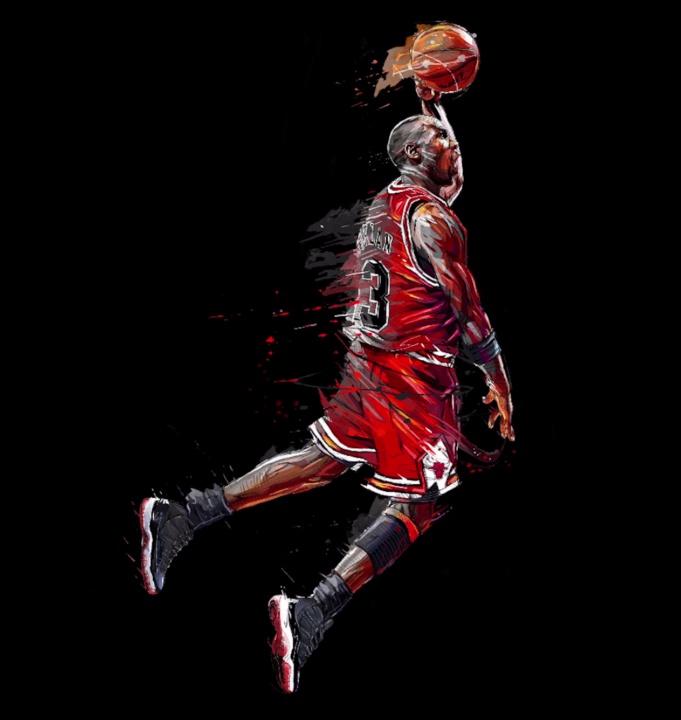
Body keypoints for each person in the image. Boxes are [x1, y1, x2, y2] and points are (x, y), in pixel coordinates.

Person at [138, 81, 514, 694]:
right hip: (413, 379)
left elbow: (446, 172)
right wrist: (498, 381)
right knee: (421, 506)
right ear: (416, 156)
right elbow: (469, 313)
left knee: (321, 463)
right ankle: (311, 612)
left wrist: (432, 103)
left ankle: (186, 514)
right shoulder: (435, 222)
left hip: (372, 364)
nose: (455, 146)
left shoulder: (389, 203)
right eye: (443, 141)